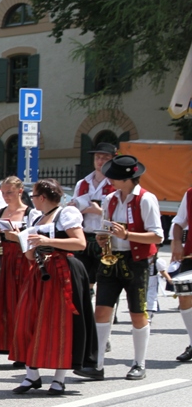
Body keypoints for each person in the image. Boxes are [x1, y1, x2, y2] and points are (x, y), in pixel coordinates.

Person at [74, 155, 162, 381]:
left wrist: (127, 235)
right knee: (101, 311)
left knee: (137, 313)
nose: (110, 179)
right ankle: (97, 363)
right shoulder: (110, 198)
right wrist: (103, 237)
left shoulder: (146, 199)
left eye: (113, 176)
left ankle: (139, 364)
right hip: (111, 258)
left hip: (136, 261)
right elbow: (107, 227)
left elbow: (157, 236)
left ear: (127, 179)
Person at [10, 179, 96, 395]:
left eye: (33, 195)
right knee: (28, 320)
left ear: (42, 197)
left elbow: (80, 243)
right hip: (39, 272)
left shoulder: (66, 214)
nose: (32, 199)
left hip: (63, 271)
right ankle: (31, 375)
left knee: (60, 323)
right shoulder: (36, 217)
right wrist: (22, 240)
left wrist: (47, 241)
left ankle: (59, 379)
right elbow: (30, 255)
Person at [0, 176, 39, 354]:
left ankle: (21, 346)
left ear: (20, 191)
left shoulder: (30, 213)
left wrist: (17, 236)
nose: (6, 196)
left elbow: (34, 242)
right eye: (4, 193)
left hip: (22, 259)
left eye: (10, 192)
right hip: (2, 258)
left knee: (20, 302)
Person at [69, 142, 117, 290]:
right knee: (82, 278)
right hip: (85, 234)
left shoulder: (115, 183)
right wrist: (74, 208)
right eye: (98, 157)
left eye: (105, 158)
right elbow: (74, 209)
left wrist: (99, 211)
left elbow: (120, 214)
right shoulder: (82, 183)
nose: (100, 161)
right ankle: (87, 302)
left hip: (105, 237)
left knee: (105, 279)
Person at [166, 182, 192, 360]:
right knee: (184, 296)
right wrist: (176, 242)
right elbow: (178, 222)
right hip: (190, 255)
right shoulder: (190, 194)